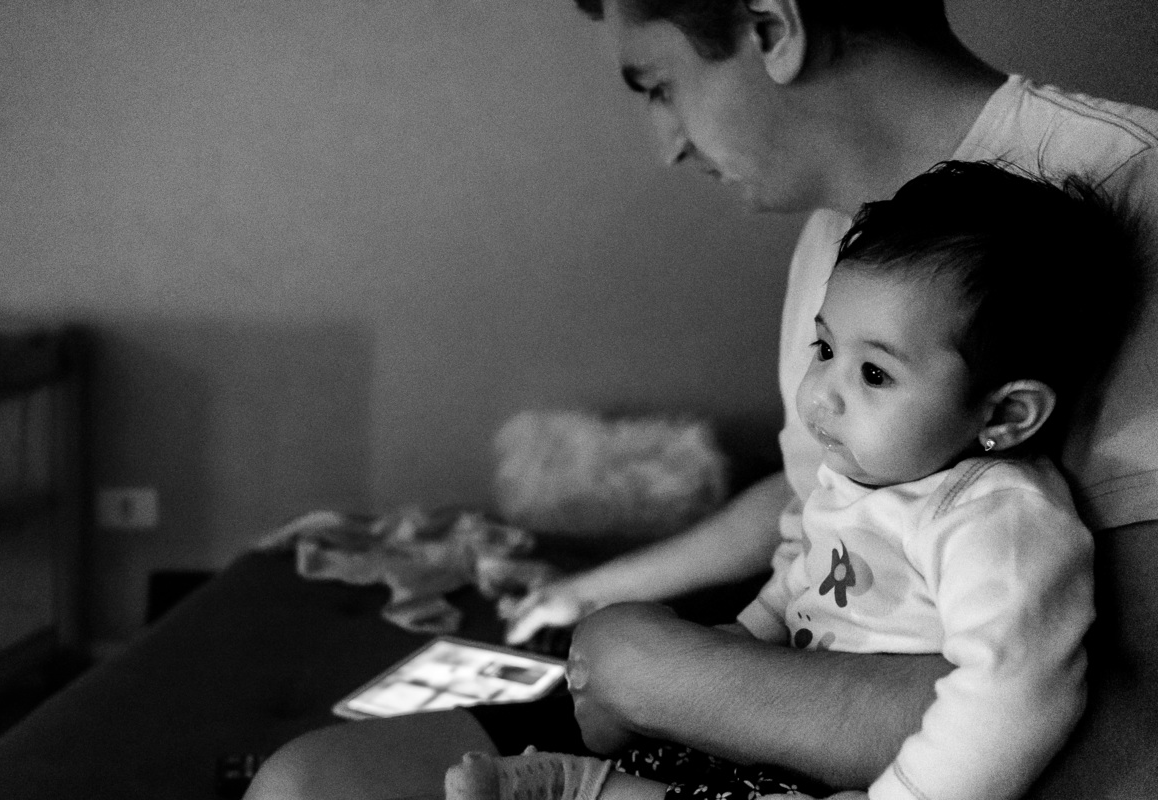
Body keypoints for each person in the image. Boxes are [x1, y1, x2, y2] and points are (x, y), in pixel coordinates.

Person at [244, 2, 1158, 798]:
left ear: (773, 27)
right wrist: (600, 595)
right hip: (759, 681)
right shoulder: (837, 236)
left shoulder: (1134, 200)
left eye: (656, 84)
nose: (667, 141)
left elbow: (1109, 715)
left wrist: (659, 673)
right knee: (304, 781)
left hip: (928, 747)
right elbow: (815, 494)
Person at [442, 160, 1139, 800]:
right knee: (657, 703)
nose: (821, 396)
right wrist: (742, 638)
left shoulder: (995, 518)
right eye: (825, 348)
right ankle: (591, 780)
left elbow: (1012, 692)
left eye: (874, 373)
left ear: (1007, 414)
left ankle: (582, 788)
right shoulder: (866, 470)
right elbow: (802, 574)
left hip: (884, 767)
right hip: (786, 716)